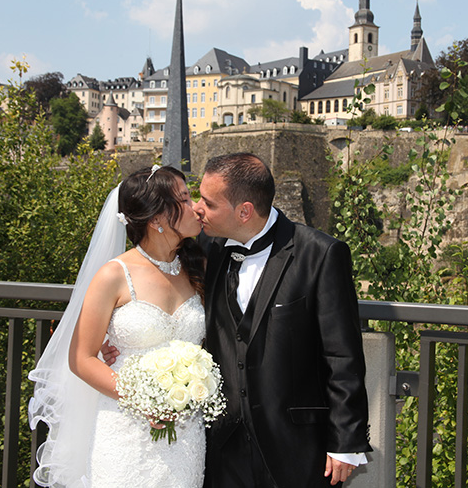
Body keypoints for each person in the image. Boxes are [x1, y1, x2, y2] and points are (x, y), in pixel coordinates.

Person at [105, 152, 371, 487]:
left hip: (297, 446)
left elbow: (342, 355)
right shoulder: (203, 248)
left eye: (209, 202)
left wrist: (346, 441)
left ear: (244, 211)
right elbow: (147, 278)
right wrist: (111, 333)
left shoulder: (319, 254)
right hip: (223, 446)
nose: (198, 208)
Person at [28, 165, 207, 488]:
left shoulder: (199, 266)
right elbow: (81, 358)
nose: (195, 205)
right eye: (183, 197)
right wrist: (143, 401)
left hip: (186, 435)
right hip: (125, 429)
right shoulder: (114, 275)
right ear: (156, 219)